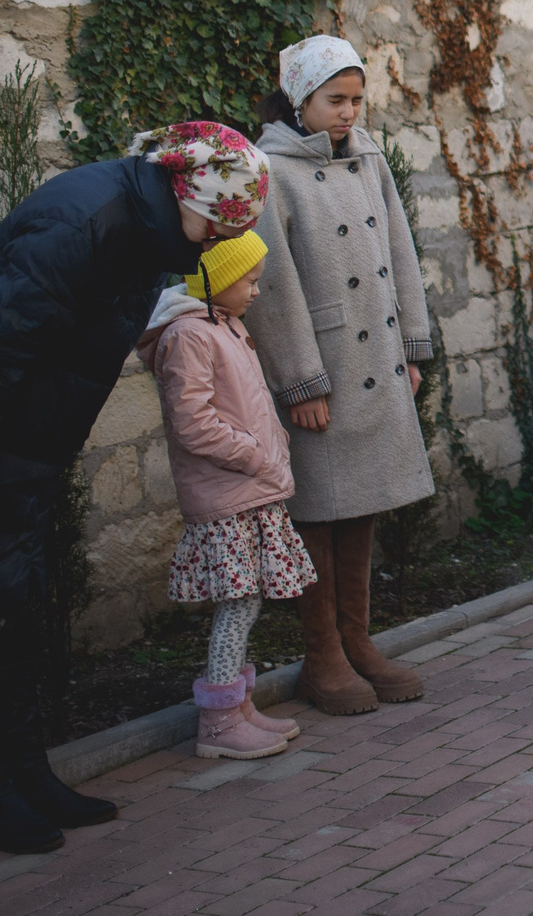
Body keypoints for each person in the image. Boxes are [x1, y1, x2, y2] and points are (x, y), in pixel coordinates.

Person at [0, 122, 270, 853]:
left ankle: (28, 773)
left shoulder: (148, 230)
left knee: (16, 615)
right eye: (220, 224)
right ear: (189, 193)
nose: (214, 242)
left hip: (13, 459)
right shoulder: (84, 225)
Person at [244, 37, 438, 715]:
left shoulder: (369, 156)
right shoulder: (271, 168)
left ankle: (358, 640)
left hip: (375, 358)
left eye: (356, 99)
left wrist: (413, 345)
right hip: (324, 362)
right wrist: (300, 381)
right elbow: (272, 283)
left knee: (365, 498)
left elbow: (400, 249)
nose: (348, 112)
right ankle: (321, 652)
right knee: (320, 508)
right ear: (300, 99)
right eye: (335, 100)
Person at [136, 230, 316, 761]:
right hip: (228, 492)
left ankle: (237, 706)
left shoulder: (225, 324)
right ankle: (217, 724)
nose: (256, 292)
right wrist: (256, 454)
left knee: (248, 598)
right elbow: (193, 423)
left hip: (248, 489)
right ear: (213, 277)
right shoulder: (189, 336)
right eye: (249, 280)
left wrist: (271, 449)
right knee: (237, 603)